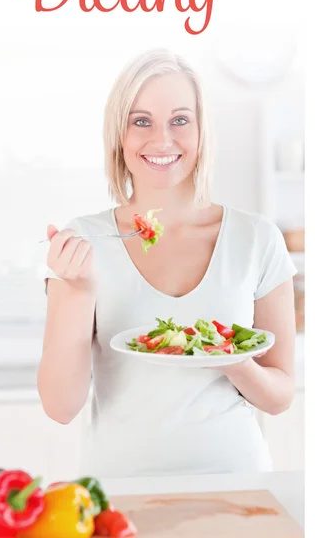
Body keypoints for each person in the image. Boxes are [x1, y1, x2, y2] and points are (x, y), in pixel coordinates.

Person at [38, 48, 297, 477]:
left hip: (237, 487)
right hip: (120, 494)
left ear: (201, 131)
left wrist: (230, 358)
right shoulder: (87, 240)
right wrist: (81, 291)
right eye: (142, 121)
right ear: (119, 135)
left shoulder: (257, 239)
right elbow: (60, 407)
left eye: (180, 120)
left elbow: (280, 395)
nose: (162, 140)